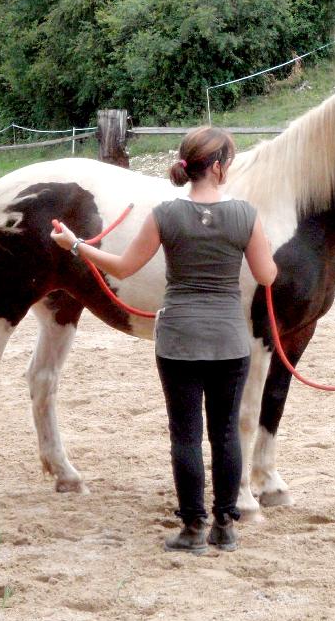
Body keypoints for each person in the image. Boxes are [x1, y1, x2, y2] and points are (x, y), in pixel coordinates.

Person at [51, 127, 277, 554]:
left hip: (177, 339)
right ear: (217, 166)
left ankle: (193, 527)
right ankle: (226, 526)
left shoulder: (165, 214)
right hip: (229, 339)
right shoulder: (247, 216)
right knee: (227, 434)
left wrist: (75, 244)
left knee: (185, 437)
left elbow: (120, 268)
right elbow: (266, 276)